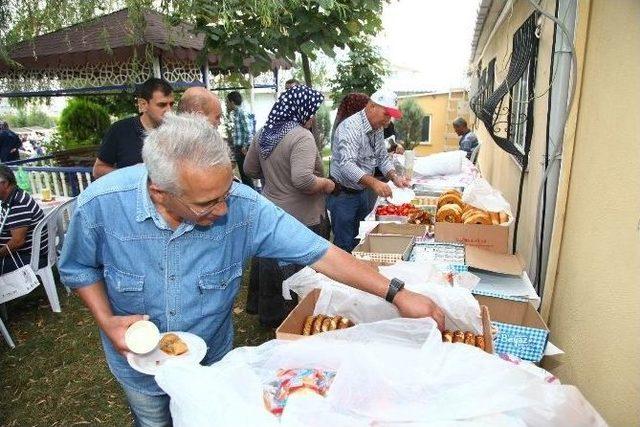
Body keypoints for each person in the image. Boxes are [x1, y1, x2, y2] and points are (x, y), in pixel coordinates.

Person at [58, 113, 443, 427]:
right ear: (161, 192)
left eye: (227, 193)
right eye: (208, 203)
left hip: (213, 359)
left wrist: (397, 292)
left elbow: (322, 253)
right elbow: (78, 269)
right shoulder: (101, 205)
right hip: (139, 369)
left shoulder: (243, 206)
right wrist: (106, 319)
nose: (225, 210)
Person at [244, 85, 334, 326]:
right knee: (300, 270)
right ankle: (298, 318)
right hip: (302, 216)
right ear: (301, 110)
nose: (313, 116)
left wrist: (273, 175)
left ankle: (271, 315)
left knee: (273, 263)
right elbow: (303, 180)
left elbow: (249, 169)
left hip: (272, 211)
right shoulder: (302, 136)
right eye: (311, 111)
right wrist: (326, 184)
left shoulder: (264, 133)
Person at [329, 89, 410, 252]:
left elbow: (381, 156)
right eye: (386, 114)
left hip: (362, 192)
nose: (388, 122)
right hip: (343, 195)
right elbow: (346, 165)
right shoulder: (351, 127)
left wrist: (394, 176)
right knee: (344, 246)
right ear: (372, 106)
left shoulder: (377, 127)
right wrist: (374, 182)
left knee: (362, 241)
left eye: (390, 116)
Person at [93, 78, 174, 179]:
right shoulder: (120, 130)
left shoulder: (176, 132)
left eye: (171, 104)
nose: (169, 110)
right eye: (162, 105)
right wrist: (132, 175)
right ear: (143, 104)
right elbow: (98, 170)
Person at [0, 165, 46, 274]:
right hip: (24, 253)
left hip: (28, 257)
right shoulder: (14, 195)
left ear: (5, 184)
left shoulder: (18, 204)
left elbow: (17, 242)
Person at [226, 91, 255, 188]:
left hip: (243, 148)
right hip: (239, 147)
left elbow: (249, 131)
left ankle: (252, 197)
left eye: (227, 102)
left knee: (246, 175)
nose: (227, 104)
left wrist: (245, 147)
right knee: (244, 175)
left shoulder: (242, 113)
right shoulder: (237, 113)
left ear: (232, 102)